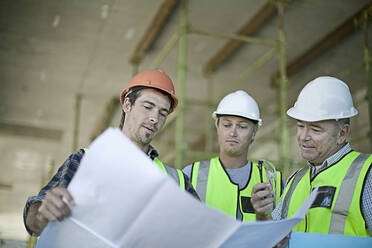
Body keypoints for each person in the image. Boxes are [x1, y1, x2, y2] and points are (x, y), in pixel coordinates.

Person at [23, 69, 199, 236]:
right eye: (148, 107)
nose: (155, 118)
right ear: (127, 104)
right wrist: (43, 213)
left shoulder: (177, 181)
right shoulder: (86, 161)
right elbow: (35, 222)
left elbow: (200, 234)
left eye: (162, 113)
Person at [251, 76, 372, 236]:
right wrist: (261, 214)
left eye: (315, 129)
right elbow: (274, 238)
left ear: (342, 133)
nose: (303, 136)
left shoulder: (367, 174)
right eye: (300, 126)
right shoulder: (294, 182)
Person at [183, 90, 282, 222]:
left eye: (242, 127)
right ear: (217, 126)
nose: (232, 133)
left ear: (254, 132)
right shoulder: (192, 175)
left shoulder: (272, 181)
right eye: (227, 125)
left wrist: (263, 216)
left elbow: (280, 236)